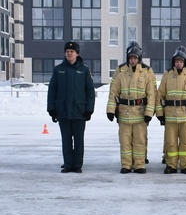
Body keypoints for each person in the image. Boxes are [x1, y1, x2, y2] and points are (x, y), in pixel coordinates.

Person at [106, 41, 156, 173]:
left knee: (139, 141)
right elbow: (113, 93)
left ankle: (140, 164)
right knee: (125, 141)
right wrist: (111, 110)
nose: (133, 60)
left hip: (140, 113)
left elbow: (152, 94)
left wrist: (149, 113)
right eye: (130, 58)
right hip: (124, 114)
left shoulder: (146, 74)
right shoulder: (121, 74)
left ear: (139, 59)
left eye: (135, 58)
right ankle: (126, 164)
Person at [46, 41, 95, 173]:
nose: (69, 53)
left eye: (72, 51)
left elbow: (90, 91)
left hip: (79, 112)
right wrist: (52, 109)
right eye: (67, 51)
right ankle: (68, 164)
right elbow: (52, 90)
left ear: (77, 53)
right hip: (63, 112)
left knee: (79, 141)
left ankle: (77, 165)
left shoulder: (84, 71)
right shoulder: (58, 70)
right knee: (66, 140)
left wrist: (89, 109)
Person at [155, 46, 186, 174]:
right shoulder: (167, 76)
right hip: (170, 116)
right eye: (177, 61)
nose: (179, 63)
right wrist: (160, 114)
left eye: (181, 61)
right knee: (171, 143)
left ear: (185, 62)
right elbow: (160, 95)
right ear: (173, 62)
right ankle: (171, 165)